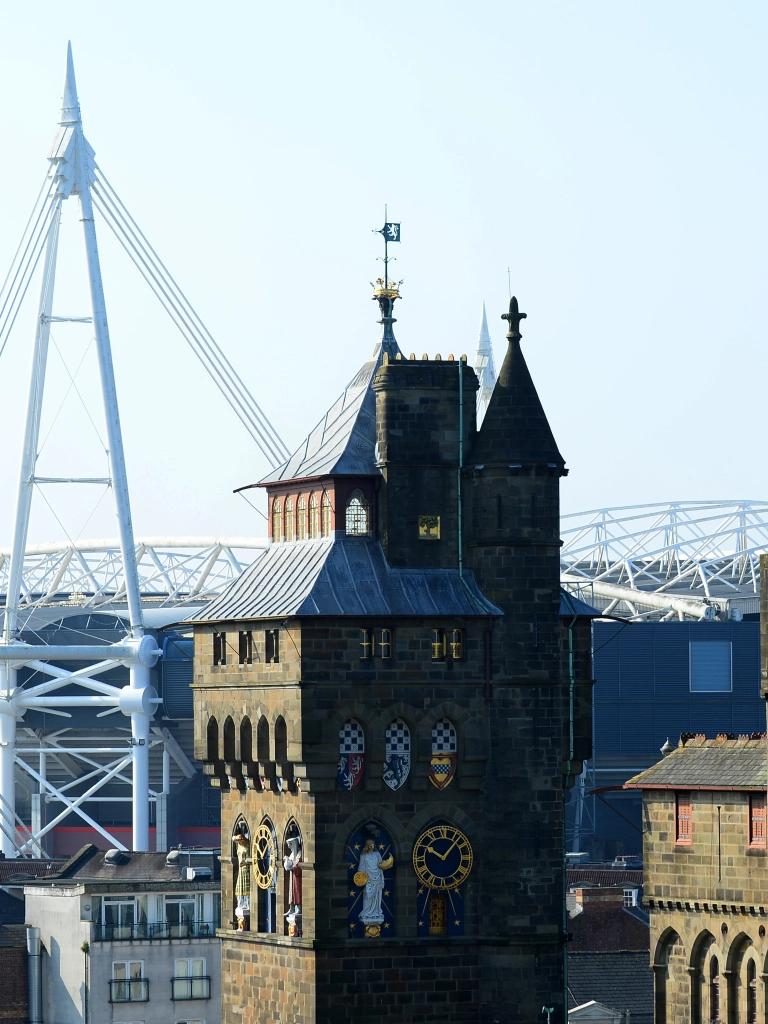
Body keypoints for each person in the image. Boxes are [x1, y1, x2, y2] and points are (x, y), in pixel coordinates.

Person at [357, 839, 393, 927]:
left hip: (377, 876)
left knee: (377, 897)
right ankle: (367, 912)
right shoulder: (364, 855)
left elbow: (380, 864)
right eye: (370, 845)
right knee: (368, 897)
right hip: (368, 878)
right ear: (367, 846)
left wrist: (387, 865)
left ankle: (376, 912)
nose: (372, 847)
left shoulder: (377, 854)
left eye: (373, 845)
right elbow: (361, 867)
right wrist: (360, 877)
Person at [234, 830, 251, 931]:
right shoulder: (238, 846)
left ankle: (246, 904)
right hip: (240, 870)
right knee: (239, 887)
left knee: (246, 887)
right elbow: (232, 838)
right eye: (238, 841)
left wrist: (245, 863)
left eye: (240, 841)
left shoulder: (247, 847)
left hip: (245, 869)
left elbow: (249, 859)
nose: (239, 842)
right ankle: (241, 904)